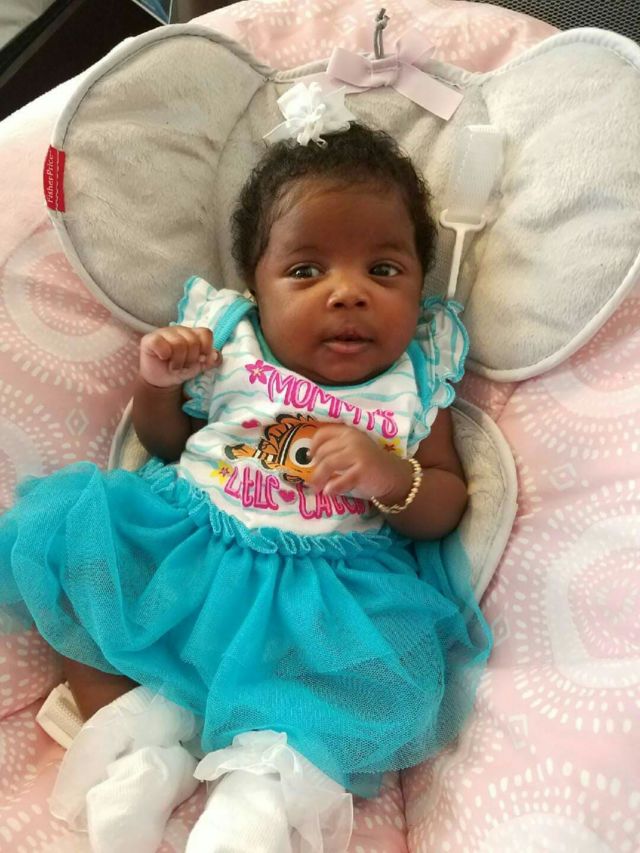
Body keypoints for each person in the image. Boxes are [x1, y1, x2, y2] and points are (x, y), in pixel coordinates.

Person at [0, 118, 491, 851]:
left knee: (328, 699)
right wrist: (158, 383)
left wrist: (390, 474)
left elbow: (445, 504)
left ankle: (258, 794)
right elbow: (168, 445)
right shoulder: (228, 341)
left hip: (321, 600)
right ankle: (132, 740)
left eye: (384, 270)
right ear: (257, 289)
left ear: (421, 285)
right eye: (307, 271)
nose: (348, 293)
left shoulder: (416, 379)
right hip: (189, 548)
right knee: (74, 556)